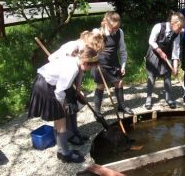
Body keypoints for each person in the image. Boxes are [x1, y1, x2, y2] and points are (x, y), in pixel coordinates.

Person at [28, 31, 104, 163]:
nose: (87, 70)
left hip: (44, 82)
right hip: (46, 87)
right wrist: (61, 106)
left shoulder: (74, 59)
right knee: (61, 121)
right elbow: (59, 91)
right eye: (90, 67)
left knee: (59, 122)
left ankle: (61, 150)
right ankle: (65, 154)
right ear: (85, 64)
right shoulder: (73, 68)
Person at [48, 30, 105, 146]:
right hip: (62, 76)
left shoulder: (85, 51)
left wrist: (78, 88)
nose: (95, 52)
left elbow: (81, 71)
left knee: (73, 104)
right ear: (90, 44)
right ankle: (69, 134)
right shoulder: (72, 46)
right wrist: (64, 71)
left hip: (72, 74)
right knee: (67, 106)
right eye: (95, 49)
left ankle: (74, 131)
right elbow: (51, 58)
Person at [91, 12, 134, 116]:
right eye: (112, 28)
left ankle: (121, 106)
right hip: (100, 64)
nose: (114, 30)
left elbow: (123, 51)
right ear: (105, 23)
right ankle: (97, 111)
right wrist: (94, 61)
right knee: (100, 86)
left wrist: (123, 65)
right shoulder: (97, 32)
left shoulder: (120, 32)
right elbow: (91, 50)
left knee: (119, 83)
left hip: (113, 63)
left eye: (116, 28)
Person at [144, 12, 185, 110]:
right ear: (173, 23)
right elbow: (151, 41)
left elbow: (176, 51)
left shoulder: (177, 34)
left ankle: (169, 98)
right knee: (151, 76)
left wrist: (175, 67)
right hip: (154, 54)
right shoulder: (158, 27)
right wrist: (159, 51)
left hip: (166, 56)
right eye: (179, 27)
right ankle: (148, 99)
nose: (181, 30)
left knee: (167, 75)